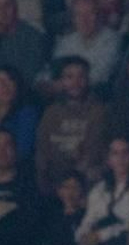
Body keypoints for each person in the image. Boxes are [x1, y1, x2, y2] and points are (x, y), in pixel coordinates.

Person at [36, 56, 108, 187]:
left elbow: (94, 153)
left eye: (81, 77)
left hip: (86, 184)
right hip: (53, 186)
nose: (76, 82)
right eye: (69, 77)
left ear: (88, 80)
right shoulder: (51, 113)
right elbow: (42, 152)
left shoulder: (100, 112)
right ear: (61, 81)